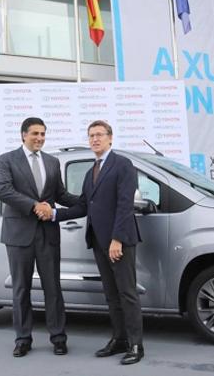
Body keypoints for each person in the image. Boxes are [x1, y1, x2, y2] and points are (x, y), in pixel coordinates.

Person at [53, 120, 144, 365]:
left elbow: (126, 205)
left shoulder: (122, 165)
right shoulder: (90, 171)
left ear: (110, 138)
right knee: (111, 295)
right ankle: (120, 339)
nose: (95, 139)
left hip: (119, 241)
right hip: (97, 240)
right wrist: (54, 214)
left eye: (99, 135)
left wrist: (117, 239)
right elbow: (84, 205)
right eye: (91, 135)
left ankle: (136, 344)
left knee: (127, 293)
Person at [0, 117, 78, 358]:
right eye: (35, 134)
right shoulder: (7, 159)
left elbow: (59, 194)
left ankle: (58, 338)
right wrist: (34, 206)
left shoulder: (53, 162)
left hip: (47, 234)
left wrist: (87, 201)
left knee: (53, 288)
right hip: (19, 234)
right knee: (21, 289)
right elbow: (3, 191)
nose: (40, 138)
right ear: (23, 135)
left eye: (43, 134)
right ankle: (22, 339)